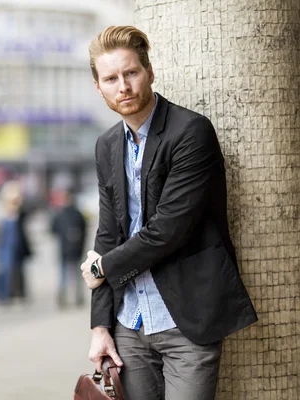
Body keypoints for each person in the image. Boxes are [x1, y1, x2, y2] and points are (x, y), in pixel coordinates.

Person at [79, 26, 258, 400]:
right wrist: (100, 326)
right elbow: (108, 235)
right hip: (129, 323)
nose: (123, 86)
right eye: (111, 78)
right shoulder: (106, 145)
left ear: (150, 72)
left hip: (185, 320)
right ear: (99, 87)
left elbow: (168, 230)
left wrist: (102, 268)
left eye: (131, 73)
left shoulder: (191, 131)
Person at [0, 180, 32, 304]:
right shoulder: (3, 214)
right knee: (5, 271)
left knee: (19, 272)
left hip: (18, 248)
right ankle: (4, 296)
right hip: (6, 248)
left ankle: (19, 293)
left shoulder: (19, 214)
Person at [51, 189, 87, 308]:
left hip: (64, 250)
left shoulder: (60, 213)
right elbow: (84, 231)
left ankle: (63, 298)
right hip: (76, 249)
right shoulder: (78, 213)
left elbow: (53, 230)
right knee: (77, 275)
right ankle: (78, 297)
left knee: (64, 275)